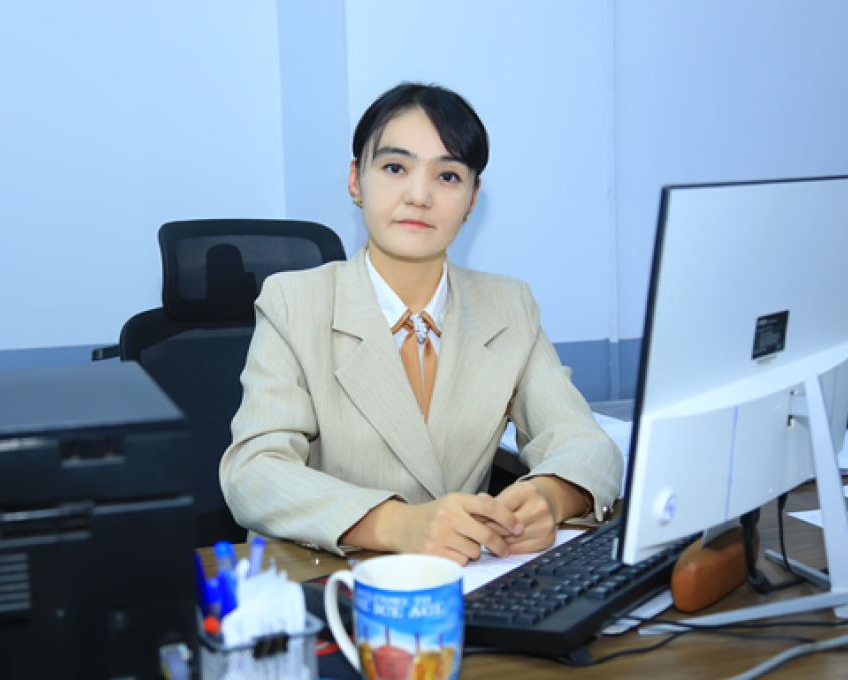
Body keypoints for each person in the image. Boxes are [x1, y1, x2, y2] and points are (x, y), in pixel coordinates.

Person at [220, 83, 622, 565]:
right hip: (337, 578)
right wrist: (400, 524)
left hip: (467, 579)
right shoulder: (294, 302)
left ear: (472, 198)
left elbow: (584, 442)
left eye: (448, 176)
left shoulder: (508, 305)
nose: (419, 195)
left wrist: (550, 496)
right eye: (395, 168)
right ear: (356, 180)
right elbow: (255, 473)